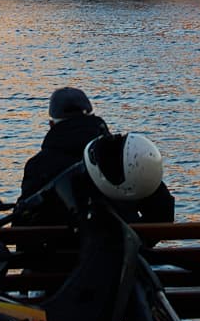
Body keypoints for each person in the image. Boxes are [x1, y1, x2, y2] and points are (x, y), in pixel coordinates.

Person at [17, 86, 175, 223]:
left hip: (57, 254)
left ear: (51, 124)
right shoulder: (122, 153)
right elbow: (162, 209)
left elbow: (24, 224)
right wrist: (138, 241)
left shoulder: (38, 165)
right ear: (91, 116)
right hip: (121, 252)